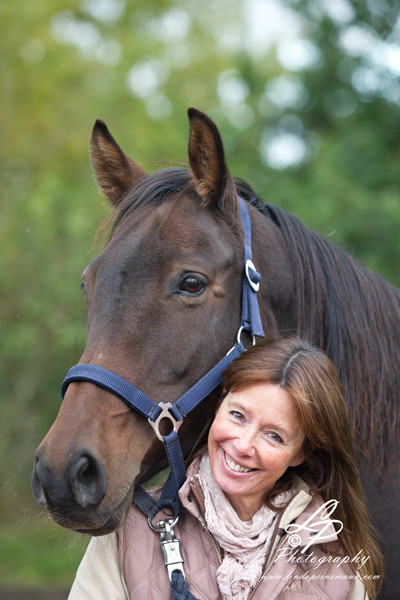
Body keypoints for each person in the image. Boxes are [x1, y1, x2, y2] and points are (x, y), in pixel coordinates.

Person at [69, 336, 383, 600]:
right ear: (220, 405)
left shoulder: (337, 564)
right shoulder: (128, 532)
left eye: (273, 435)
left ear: (301, 453)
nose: (244, 445)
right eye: (237, 416)